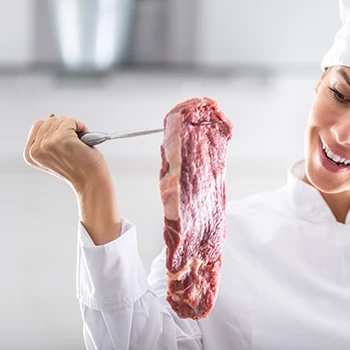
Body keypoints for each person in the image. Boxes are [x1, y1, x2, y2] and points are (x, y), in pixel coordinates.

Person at [23, 1, 350, 349]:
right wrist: (92, 186)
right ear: (319, 83)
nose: (343, 135)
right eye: (341, 94)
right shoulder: (222, 243)